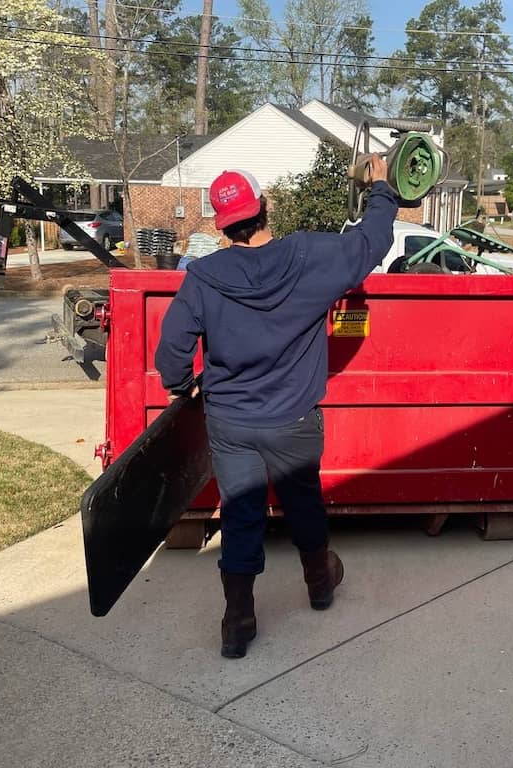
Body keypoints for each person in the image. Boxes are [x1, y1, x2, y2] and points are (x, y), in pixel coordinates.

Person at [154, 155, 396, 659]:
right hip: (294, 419)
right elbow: (372, 242)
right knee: (303, 502)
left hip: (231, 422)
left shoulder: (203, 277)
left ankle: (237, 622)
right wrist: (381, 188)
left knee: (241, 514)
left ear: (221, 225)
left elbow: (171, 352)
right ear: (264, 206)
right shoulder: (308, 255)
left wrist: (183, 387)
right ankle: (320, 584)